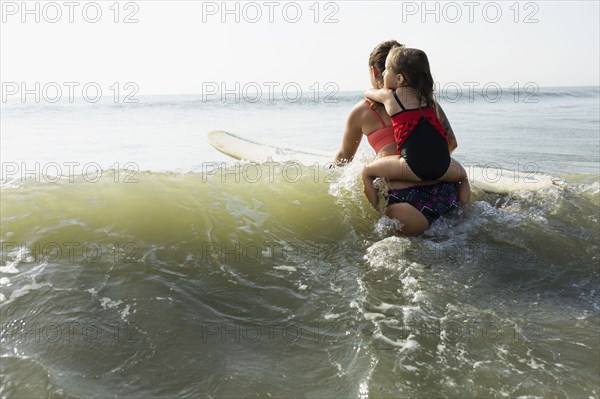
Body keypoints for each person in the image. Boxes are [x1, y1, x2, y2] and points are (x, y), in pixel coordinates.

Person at [335, 40, 464, 236]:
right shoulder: (427, 103)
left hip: (407, 207)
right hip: (447, 195)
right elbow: (451, 144)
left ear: (374, 72)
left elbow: (344, 159)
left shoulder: (362, 111)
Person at [361, 46, 470, 209]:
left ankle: (379, 212)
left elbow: (369, 93)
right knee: (463, 177)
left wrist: (373, 90)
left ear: (399, 79)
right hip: (443, 166)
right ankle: (464, 212)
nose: (383, 73)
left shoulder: (390, 97)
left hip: (412, 168)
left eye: (387, 70)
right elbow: (451, 143)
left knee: (367, 172)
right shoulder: (430, 100)